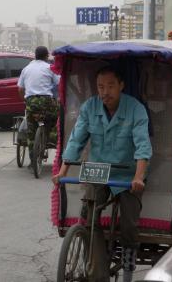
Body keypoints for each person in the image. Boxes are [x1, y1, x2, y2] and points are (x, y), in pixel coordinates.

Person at [52, 67, 152, 282]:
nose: (104, 91)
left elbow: (143, 144)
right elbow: (76, 140)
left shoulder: (135, 109)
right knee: (89, 218)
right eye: (100, 86)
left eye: (110, 86)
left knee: (129, 222)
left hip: (127, 172)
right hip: (98, 169)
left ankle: (128, 261)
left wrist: (138, 177)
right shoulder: (90, 107)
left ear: (121, 85)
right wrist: (62, 173)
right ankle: (97, 267)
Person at [17, 46, 60, 165]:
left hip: (31, 102)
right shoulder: (50, 68)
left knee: (31, 131)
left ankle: (33, 161)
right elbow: (59, 84)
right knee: (57, 117)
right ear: (47, 56)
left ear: (35, 55)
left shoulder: (26, 69)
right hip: (47, 102)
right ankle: (51, 137)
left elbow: (20, 89)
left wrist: (25, 102)